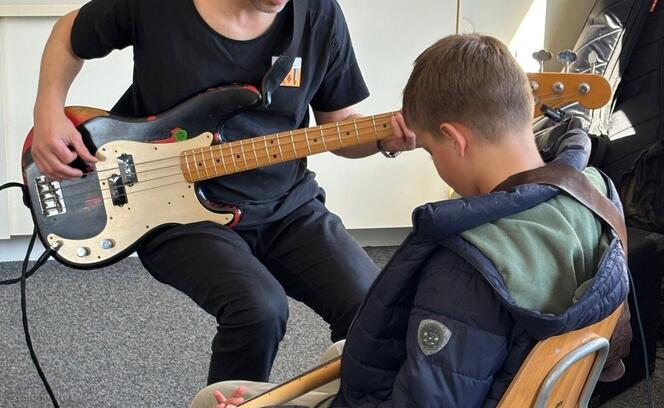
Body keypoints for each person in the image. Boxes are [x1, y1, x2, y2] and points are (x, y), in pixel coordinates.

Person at [191, 33, 630, 408]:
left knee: (216, 397)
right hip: (510, 379)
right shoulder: (596, 193)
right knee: (340, 351)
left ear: (454, 139)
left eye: (432, 151)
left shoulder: (465, 266)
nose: (437, 164)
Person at [30, 0, 416, 385]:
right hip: (174, 210)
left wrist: (384, 138)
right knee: (259, 311)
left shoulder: (318, 14)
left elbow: (340, 123)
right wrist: (48, 115)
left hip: (287, 206)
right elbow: (68, 33)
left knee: (374, 308)